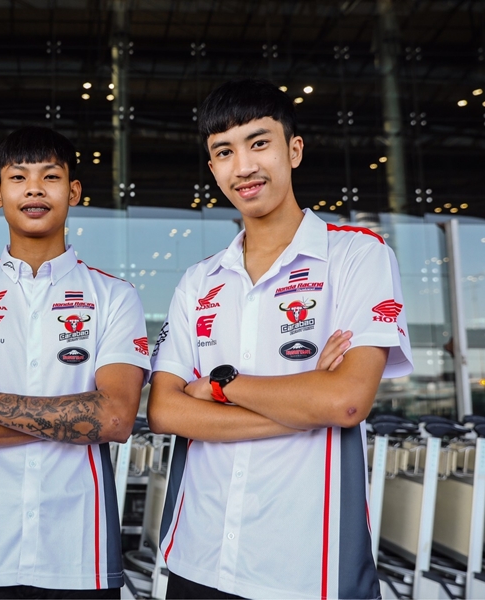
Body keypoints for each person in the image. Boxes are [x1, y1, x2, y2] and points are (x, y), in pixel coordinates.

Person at [147, 79, 412, 599]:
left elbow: (345, 401)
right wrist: (303, 399)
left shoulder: (357, 256)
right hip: (198, 558)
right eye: (225, 151)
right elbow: (164, 411)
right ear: (213, 168)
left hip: (308, 568)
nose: (243, 166)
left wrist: (218, 386)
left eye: (259, 143)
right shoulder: (199, 281)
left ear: (294, 150)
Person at [0, 126, 152, 599]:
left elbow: (114, 418)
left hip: (80, 551)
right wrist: (76, 417)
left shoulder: (115, 295)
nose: (34, 189)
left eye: (50, 176)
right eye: (18, 177)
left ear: (74, 192)